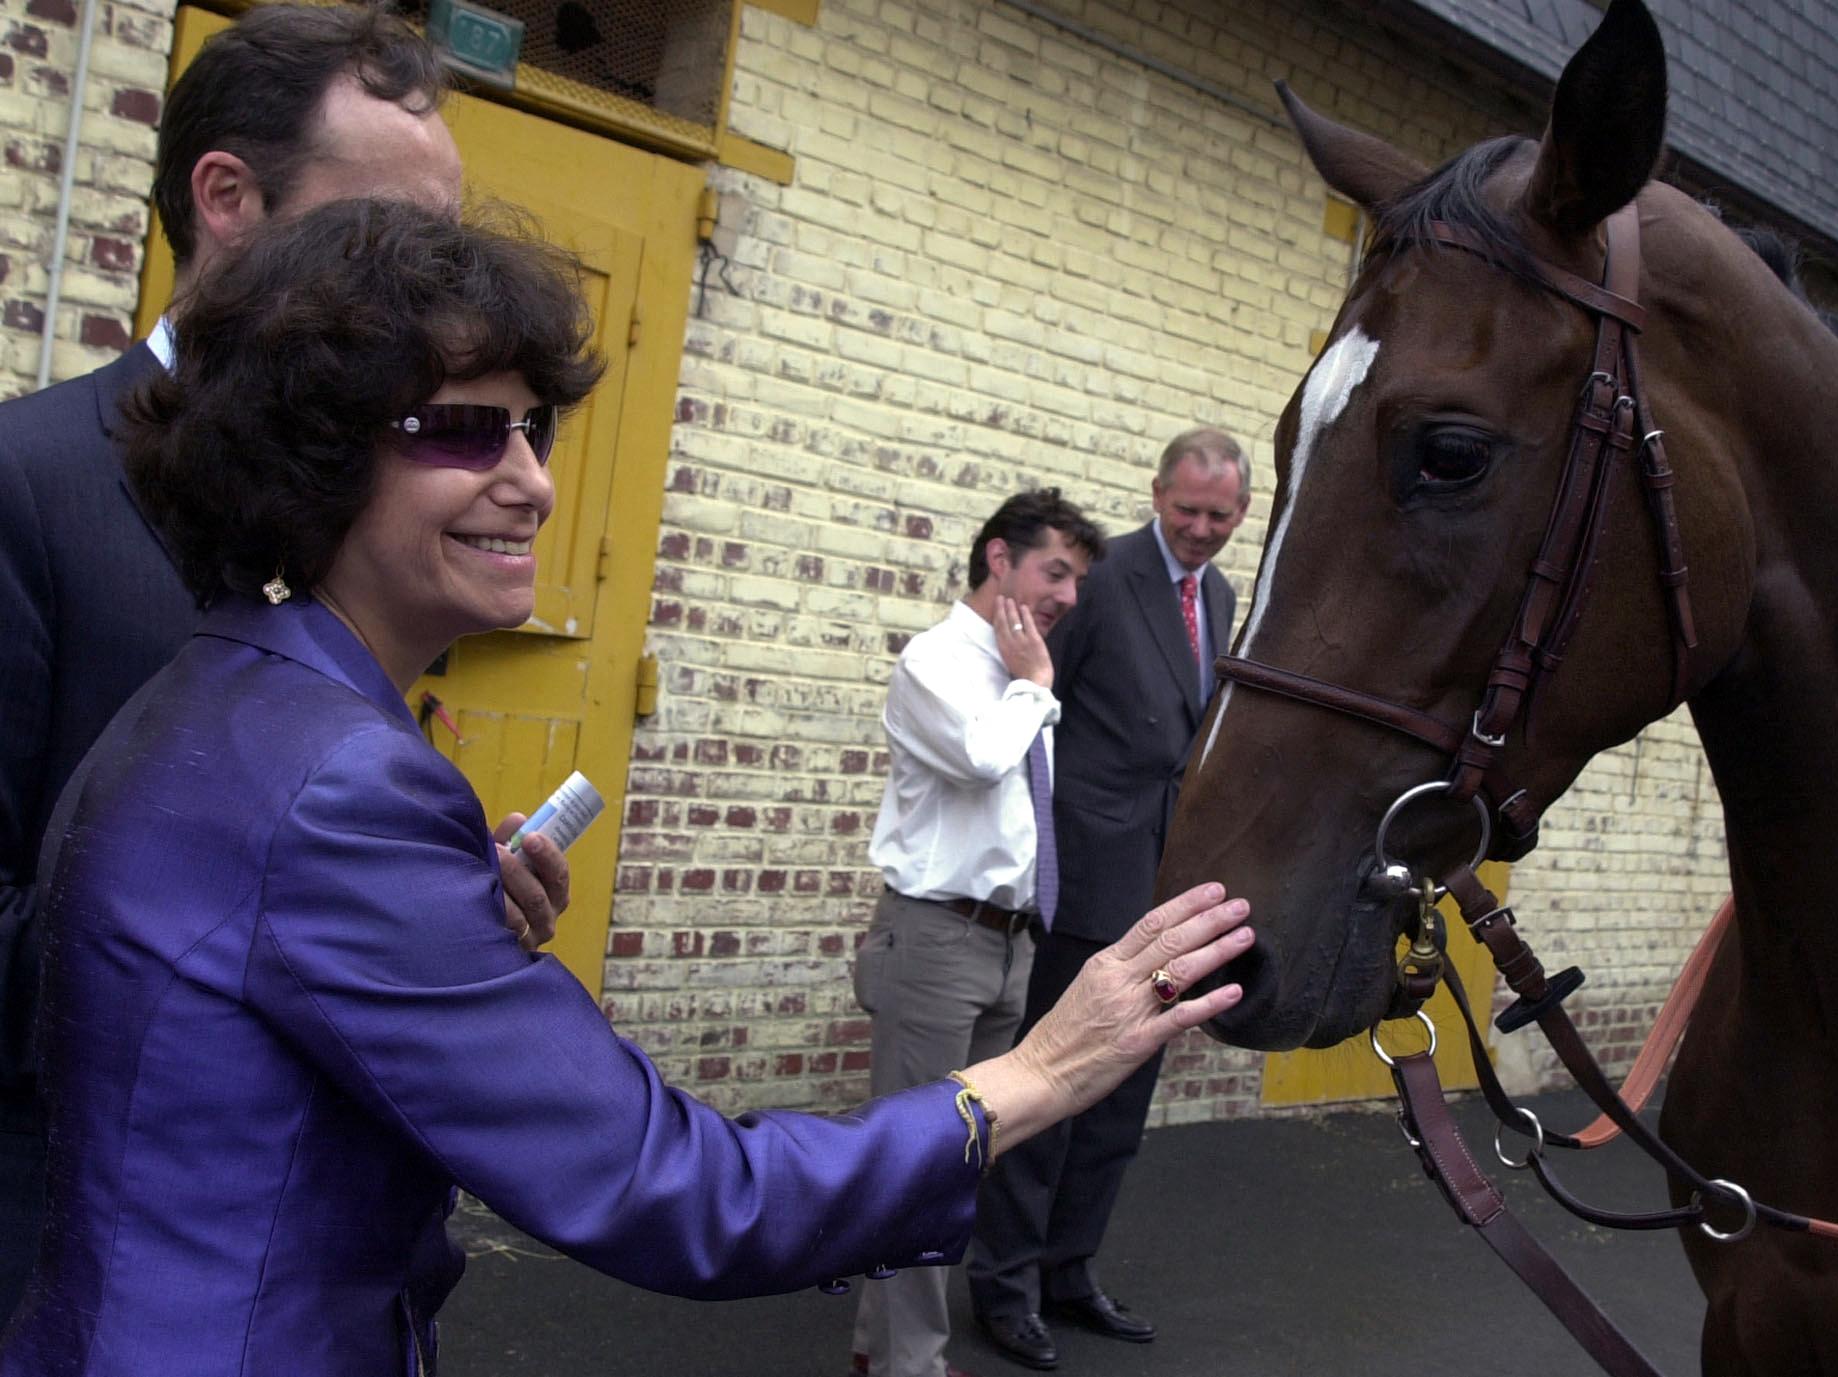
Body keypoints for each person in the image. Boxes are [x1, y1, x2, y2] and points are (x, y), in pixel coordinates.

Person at [0, 198, 1255, 1377]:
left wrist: (441, 925)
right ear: (306, 458)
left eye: (531, 426)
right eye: (458, 430)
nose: (532, 480)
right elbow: (683, 1193)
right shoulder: (336, 782)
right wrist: (1042, 1069)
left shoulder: (218, 690)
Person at [0, 3, 567, 1321]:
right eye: (385, 234)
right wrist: (258, 933)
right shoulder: (26, 485)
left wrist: (421, 901)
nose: (433, 283)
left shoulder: (383, 487)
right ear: (228, 198)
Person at [969, 429, 1251, 1370]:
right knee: (1051, 1086)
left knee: (1122, 1096)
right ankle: (1003, 1284)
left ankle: (1067, 1270)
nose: (1203, 529)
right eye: (1189, 509)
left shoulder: (1217, 595)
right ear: (1157, 493)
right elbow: (1040, 710)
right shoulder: (1103, 577)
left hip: (1165, 879)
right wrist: (1047, 858)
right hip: (1087, 877)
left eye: (1222, 514)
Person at [848, 490, 1108, 1377]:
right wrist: (1035, 687)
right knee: (919, 1162)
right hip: (935, 941)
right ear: (998, 559)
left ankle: (880, 1344)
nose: (1069, 596)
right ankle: (907, 1364)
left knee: (966, 1161)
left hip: (1009, 942)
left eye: (1077, 580)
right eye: (1055, 571)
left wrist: (1031, 683)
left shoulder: (1015, 664)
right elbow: (981, 757)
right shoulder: (940, 661)